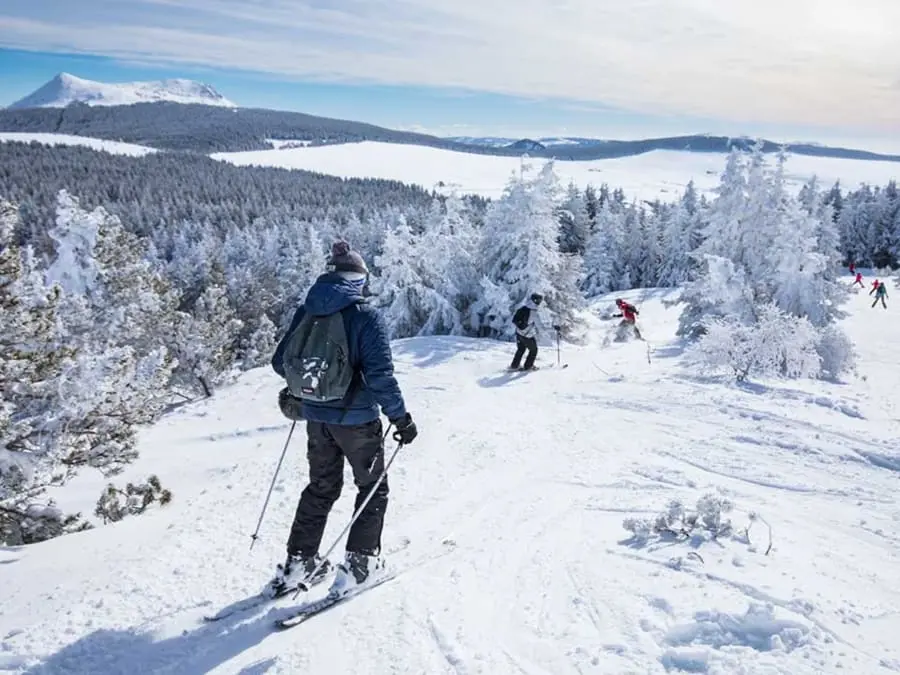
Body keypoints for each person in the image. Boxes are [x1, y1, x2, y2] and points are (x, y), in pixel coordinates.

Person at [267, 241, 418, 598]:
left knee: (320, 488)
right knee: (372, 487)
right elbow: (380, 377)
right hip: (358, 422)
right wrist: (401, 419)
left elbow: (279, 363)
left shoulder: (306, 312)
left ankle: (299, 563)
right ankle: (360, 566)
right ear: (358, 279)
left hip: (316, 420)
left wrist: (311, 388)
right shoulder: (365, 316)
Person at [509, 292, 546, 371]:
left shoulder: (523, 308)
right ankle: (528, 366)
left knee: (521, 349)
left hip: (519, 334)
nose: (540, 302)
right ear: (535, 301)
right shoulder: (534, 312)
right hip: (527, 336)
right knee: (534, 350)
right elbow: (540, 327)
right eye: (539, 300)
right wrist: (551, 330)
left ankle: (514, 366)